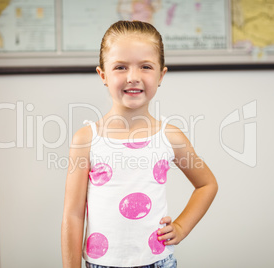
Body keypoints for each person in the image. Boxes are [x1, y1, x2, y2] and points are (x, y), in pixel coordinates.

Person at [61, 20, 218, 268]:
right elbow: (73, 214)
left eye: (145, 66)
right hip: (101, 263)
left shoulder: (170, 136)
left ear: (160, 75)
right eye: (120, 67)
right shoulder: (86, 140)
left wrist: (181, 226)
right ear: (103, 75)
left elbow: (207, 184)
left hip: (158, 261)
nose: (133, 77)